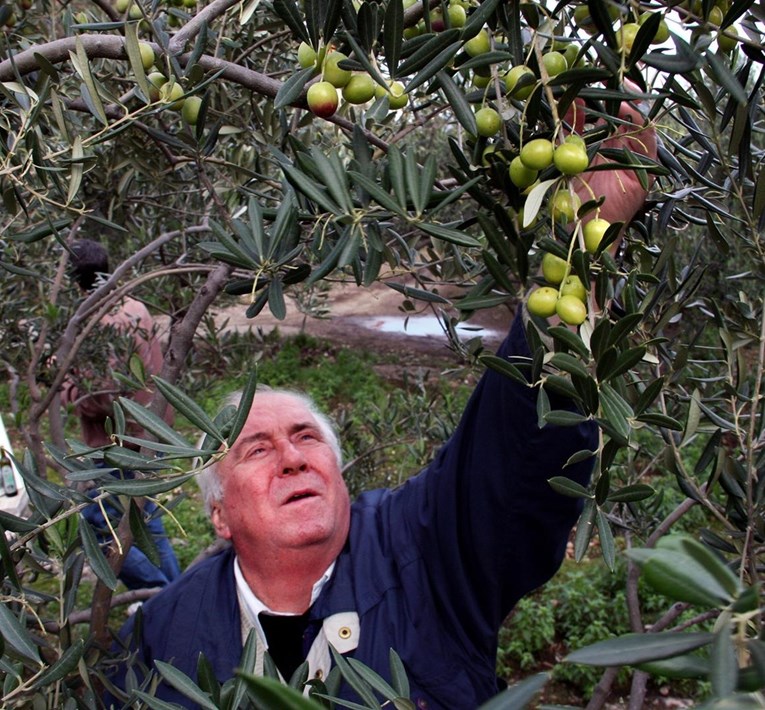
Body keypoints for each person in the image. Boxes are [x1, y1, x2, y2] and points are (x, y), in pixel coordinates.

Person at [107, 95, 657, 707]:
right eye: (256, 449)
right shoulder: (158, 640)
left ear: (340, 475)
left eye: (308, 437)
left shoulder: (425, 551)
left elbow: (517, 453)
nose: (292, 458)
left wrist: (579, 238)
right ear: (219, 516)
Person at [63, 239, 181, 591]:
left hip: (118, 443)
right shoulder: (133, 306)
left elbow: (101, 400)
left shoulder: (98, 321)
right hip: (151, 431)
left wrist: (63, 383)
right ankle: (175, 599)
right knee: (147, 525)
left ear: (74, 279)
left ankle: (159, 593)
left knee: (97, 527)